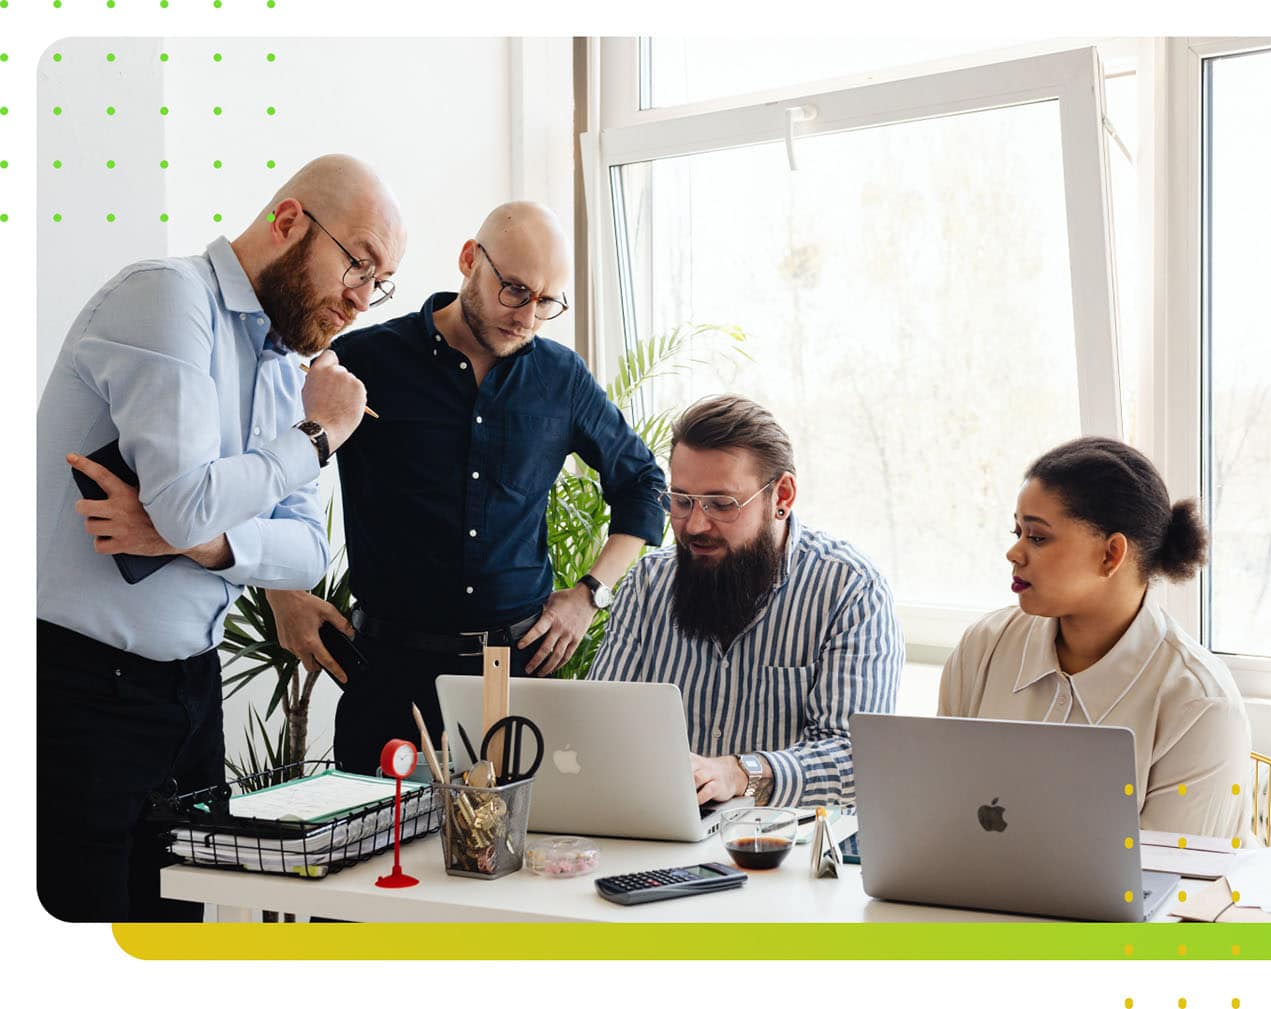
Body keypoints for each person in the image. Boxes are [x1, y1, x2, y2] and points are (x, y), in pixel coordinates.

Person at [36, 154, 407, 921]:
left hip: (189, 697)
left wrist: (200, 544)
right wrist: (315, 436)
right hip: (78, 690)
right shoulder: (167, 298)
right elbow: (187, 503)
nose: (362, 299)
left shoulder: (281, 366)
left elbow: (308, 551)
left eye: (380, 283)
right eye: (359, 265)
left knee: (176, 937)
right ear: (289, 221)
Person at [264, 201, 667, 775]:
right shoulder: (362, 361)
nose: (528, 316)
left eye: (547, 302)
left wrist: (588, 596)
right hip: (387, 677)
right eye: (515, 290)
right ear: (469, 260)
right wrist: (281, 597)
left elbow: (646, 486)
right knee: (378, 860)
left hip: (518, 676)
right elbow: (268, 471)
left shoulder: (562, 378)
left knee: (516, 858)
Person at [588, 394, 903, 809]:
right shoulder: (647, 584)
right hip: (659, 837)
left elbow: (855, 759)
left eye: (722, 504)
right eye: (682, 501)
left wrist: (740, 774)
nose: (696, 525)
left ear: (783, 496)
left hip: (791, 852)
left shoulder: (851, 591)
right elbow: (596, 724)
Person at [938, 436, 1253, 839]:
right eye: (1016, 531)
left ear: (1111, 555)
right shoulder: (982, 648)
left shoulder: (1200, 704)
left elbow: (1173, 885)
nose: (1014, 553)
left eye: (1036, 537)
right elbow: (944, 816)